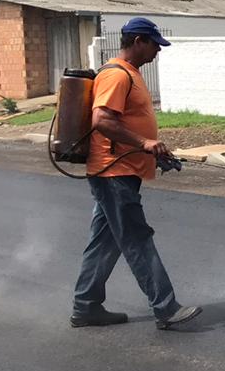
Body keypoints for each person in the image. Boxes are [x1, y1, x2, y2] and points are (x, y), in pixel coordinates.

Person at [71, 17, 203, 331]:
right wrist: (144, 142)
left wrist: (153, 153)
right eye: (155, 44)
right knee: (136, 238)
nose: (158, 50)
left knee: (105, 242)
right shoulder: (117, 75)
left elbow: (128, 124)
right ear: (139, 41)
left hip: (120, 170)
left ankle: (86, 306)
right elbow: (102, 120)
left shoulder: (130, 74)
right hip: (113, 173)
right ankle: (166, 308)